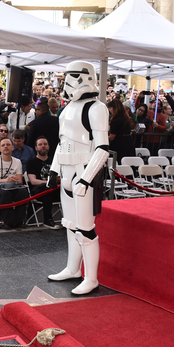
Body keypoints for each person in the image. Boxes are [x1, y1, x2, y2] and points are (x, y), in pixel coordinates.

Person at [47, 61, 110, 296]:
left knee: (85, 228)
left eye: (71, 76)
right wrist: (54, 170)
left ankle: (91, 277)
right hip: (66, 171)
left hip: (84, 171)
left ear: (85, 76)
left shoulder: (96, 108)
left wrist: (86, 178)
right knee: (70, 225)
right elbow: (62, 143)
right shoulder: (68, 108)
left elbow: (103, 148)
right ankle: (73, 268)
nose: (67, 82)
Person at [0, 137, 29, 228]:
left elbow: (20, 181)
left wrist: (14, 179)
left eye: (8, 145)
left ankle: (19, 221)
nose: (6, 147)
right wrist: (6, 180)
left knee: (23, 192)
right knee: (5, 194)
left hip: (13, 187)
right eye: (3, 145)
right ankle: (8, 222)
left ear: (12, 147)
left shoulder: (17, 162)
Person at [26, 136, 61, 229]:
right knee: (47, 189)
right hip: (39, 190)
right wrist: (48, 182)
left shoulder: (54, 161)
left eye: (45, 144)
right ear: (36, 148)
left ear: (48, 146)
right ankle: (47, 220)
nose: (43, 146)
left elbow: (60, 177)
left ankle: (70, 218)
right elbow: (33, 181)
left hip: (54, 188)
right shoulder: (31, 162)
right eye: (40, 144)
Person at [107, 98, 136, 163]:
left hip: (119, 144)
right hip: (129, 142)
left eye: (110, 108)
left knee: (118, 162)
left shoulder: (115, 120)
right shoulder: (126, 118)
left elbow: (112, 137)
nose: (110, 110)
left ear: (114, 108)